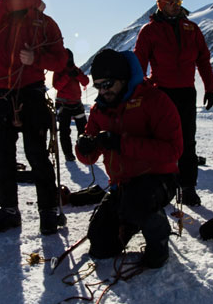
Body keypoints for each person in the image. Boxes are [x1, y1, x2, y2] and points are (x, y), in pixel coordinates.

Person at [76, 49, 183, 268]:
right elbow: (88, 158)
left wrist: (121, 143)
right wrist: (84, 147)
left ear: (123, 79)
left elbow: (173, 150)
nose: (103, 91)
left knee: (138, 203)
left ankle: (159, 234)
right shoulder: (100, 110)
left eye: (108, 84)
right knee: (101, 246)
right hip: (121, 185)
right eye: (98, 86)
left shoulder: (155, 100)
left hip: (159, 180)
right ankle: (132, 219)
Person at [0, 0, 69, 235]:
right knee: (4, 157)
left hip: (30, 93)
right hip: (1, 93)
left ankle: (48, 211)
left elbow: (60, 61)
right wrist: (33, 1)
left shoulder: (46, 23)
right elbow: (6, 5)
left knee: (37, 154)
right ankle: (9, 209)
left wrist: (37, 59)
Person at [133, 0, 213, 206]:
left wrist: (210, 87)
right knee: (162, 141)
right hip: (161, 93)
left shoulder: (191, 28)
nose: (176, 7)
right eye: (171, 3)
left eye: (178, 2)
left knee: (187, 142)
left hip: (186, 93)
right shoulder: (149, 31)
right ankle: (163, 185)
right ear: (161, 5)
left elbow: (203, 60)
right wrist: (137, 92)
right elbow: (139, 63)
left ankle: (188, 187)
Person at [52, 49, 88, 162]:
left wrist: (77, 75)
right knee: (64, 131)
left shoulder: (75, 69)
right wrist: (68, 76)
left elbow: (86, 81)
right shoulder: (59, 70)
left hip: (76, 103)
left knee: (83, 129)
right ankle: (68, 154)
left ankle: (83, 151)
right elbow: (57, 86)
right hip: (64, 105)